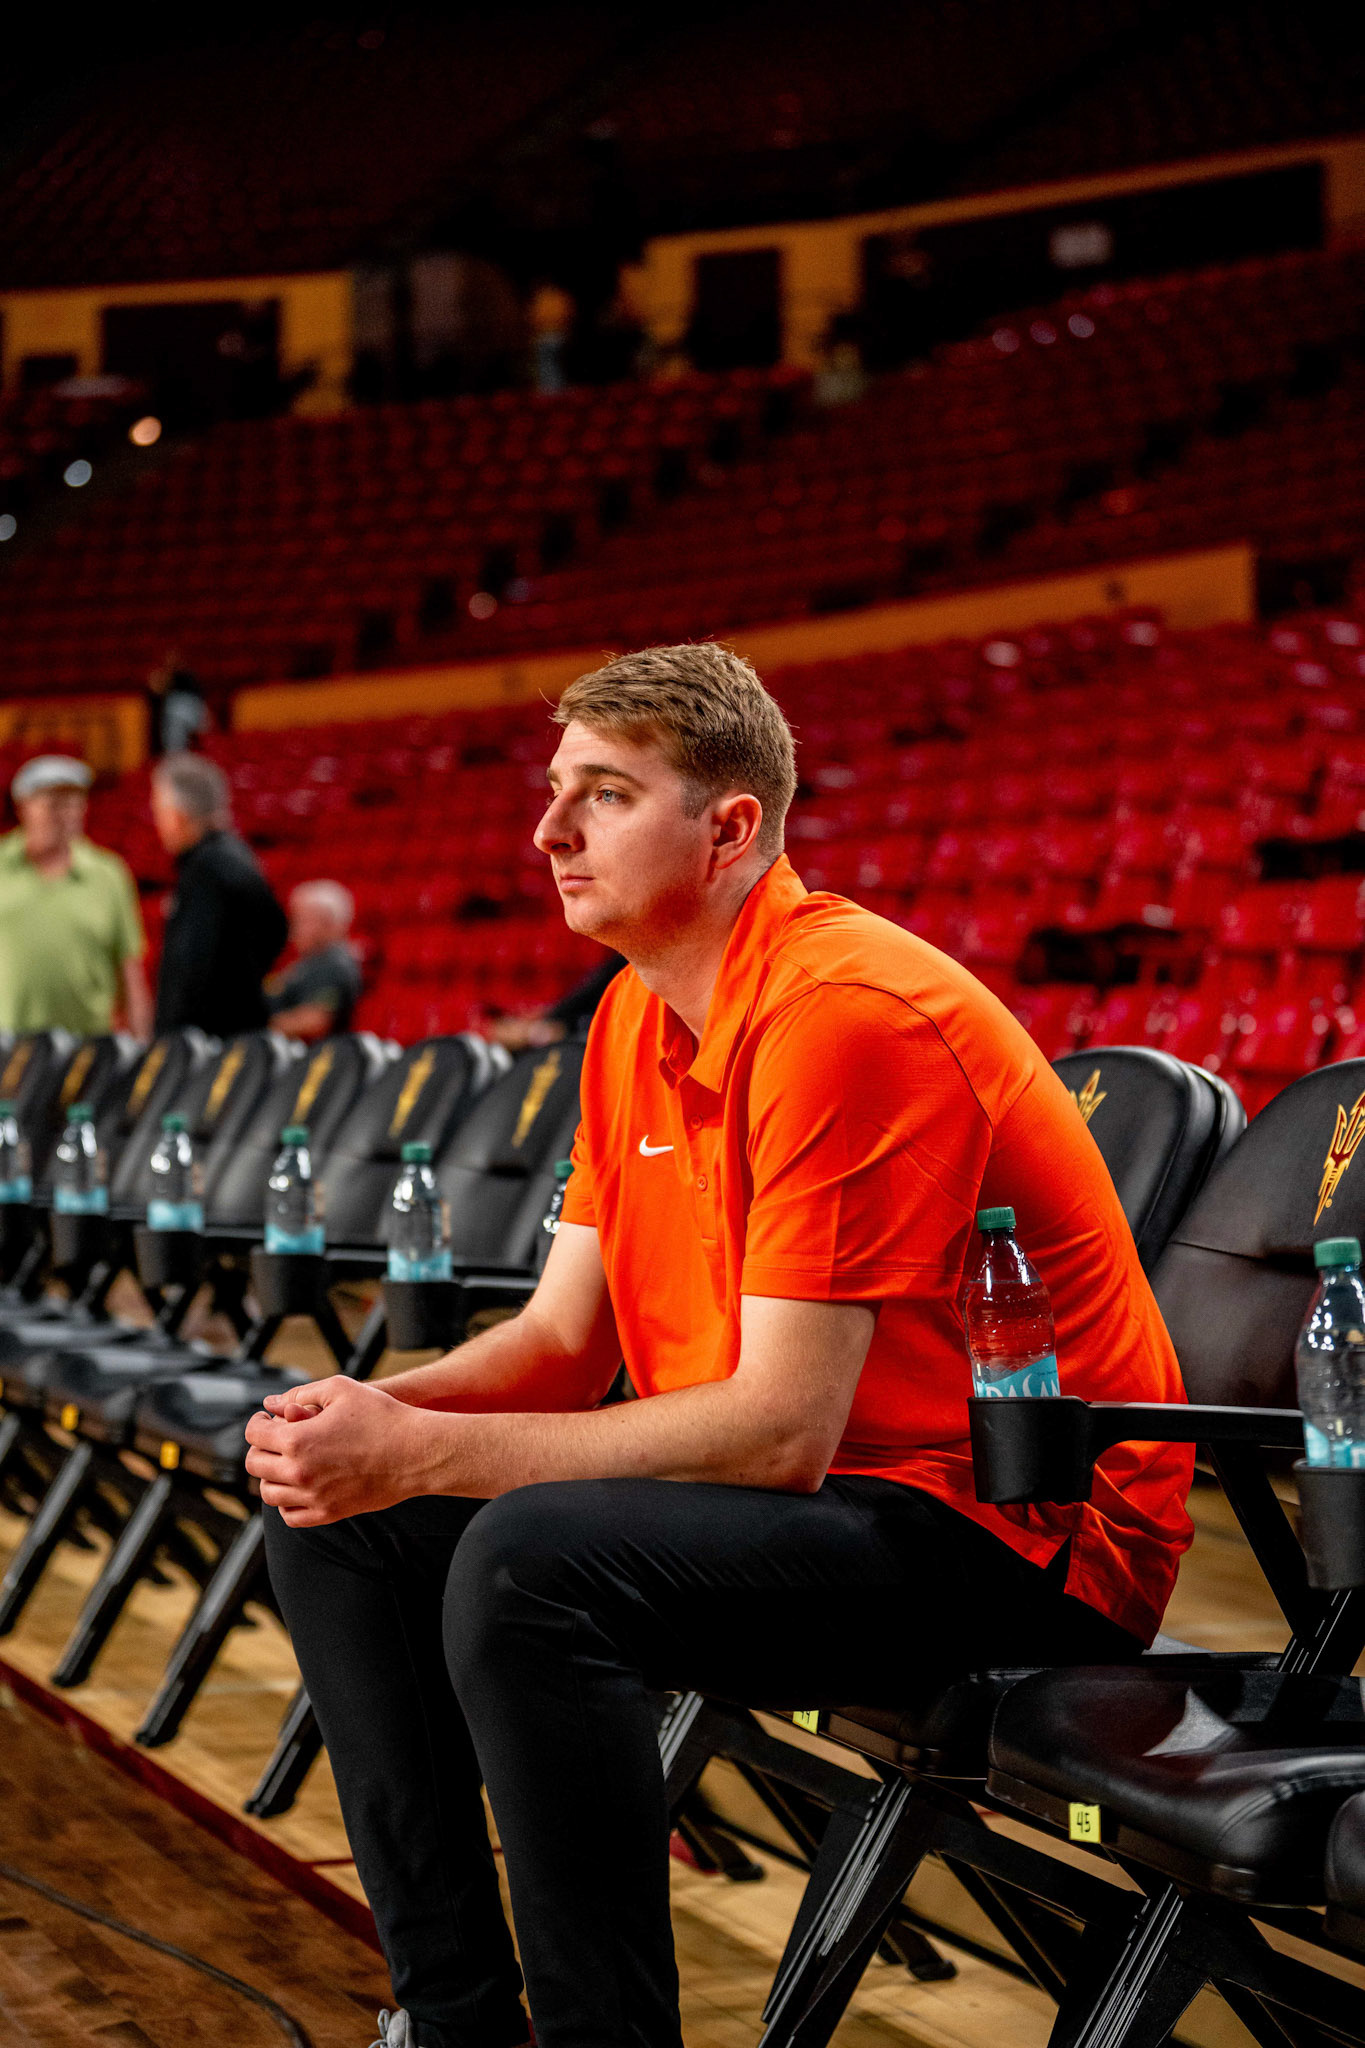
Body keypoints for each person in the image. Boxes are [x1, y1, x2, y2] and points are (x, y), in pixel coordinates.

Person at [248, 643, 1194, 2048]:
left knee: (530, 1565)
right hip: (832, 1503)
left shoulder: (845, 1015)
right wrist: (355, 1417)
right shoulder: (633, 1010)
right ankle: (451, 2020)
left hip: (1018, 1536)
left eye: (604, 794)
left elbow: (776, 1427)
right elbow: (563, 1343)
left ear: (731, 826)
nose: (548, 831)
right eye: (553, 790)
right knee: (341, 1522)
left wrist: (426, 1447)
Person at [0, 754, 152, 1037]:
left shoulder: (108, 875)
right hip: (7, 1046)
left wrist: (141, 1047)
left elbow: (130, 972)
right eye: (54, 804)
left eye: (75, 803)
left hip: (88, 1047)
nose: (67, 814)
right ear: (24, 807)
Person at [151, 753, 287, 1038]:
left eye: (159, 809)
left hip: (208, 1047)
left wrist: (174, 1042)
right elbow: (276, 931)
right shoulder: (234, 858)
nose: (157, 820)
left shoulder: (208, 868)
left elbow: (192, 972)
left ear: (178, 815)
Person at [266, 880, 363, 1041]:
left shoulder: (334, 965)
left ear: (328, 923)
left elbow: (315, 1023)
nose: (293, 930)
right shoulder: (310, 961)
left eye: (300, 920)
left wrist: (254, 1025)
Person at [487, 949, 624, 1051]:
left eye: (510, 1023)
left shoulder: (560, 1011)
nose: (515, 1023)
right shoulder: (543, 1057)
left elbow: (594, 989)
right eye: (510, 1030)